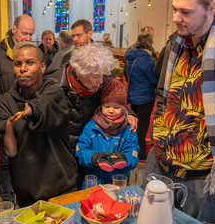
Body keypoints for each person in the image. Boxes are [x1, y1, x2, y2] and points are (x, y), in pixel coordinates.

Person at [146, 0, 215, 224]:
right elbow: (163, 99)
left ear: (213, 7)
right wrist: (157, 141)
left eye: (185, 12)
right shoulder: (175, 45)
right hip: (161, 166)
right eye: (175, 8)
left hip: (207, 182)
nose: (176, 18)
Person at [0, 42, 77, 207]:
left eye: (29, 63)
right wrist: (9, 126)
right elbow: (5, 142)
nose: (22, 68)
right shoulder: (6, 102)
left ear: (43, 67)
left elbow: (44, 105)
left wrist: (30, 109)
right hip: (27, 190)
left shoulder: (54, 91)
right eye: (18, 64)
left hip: (62, 184)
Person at [58, 42, 138, 188]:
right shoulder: (57, 88)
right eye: (96, 76)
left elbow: (115, 99)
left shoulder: (100, 83)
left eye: (103, 75)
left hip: (111, 175)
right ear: (80, 72)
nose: (101, 81)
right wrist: (93, 157)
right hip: (68, 152)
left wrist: (129, 113)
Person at [0, 14, 35, 203]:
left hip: (26, 118)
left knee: (25, 158)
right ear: (14, 30)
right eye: (24, 33)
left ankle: (25, 196)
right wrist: (6, 104)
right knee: (5, 161)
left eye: (31, 34)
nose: (27, 38)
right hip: (5, 119)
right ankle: (7, 199)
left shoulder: (31, 52)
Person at [76, 79, 139, 187]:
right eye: (107, 106)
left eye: (116, 107)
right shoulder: (90, 127)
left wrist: (124, 158)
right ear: (100, 105)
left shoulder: (128, 129)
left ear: (123, 107)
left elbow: (133, 155)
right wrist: (94, 158)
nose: (111, 110)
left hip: (117, 184)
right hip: (94, 185)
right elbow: (81, 151)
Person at [125, 33, 158, 160]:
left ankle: (131, 148)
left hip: (133, 95)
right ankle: (140, 153)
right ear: (149, 43)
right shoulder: (146, 59)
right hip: (145, 97)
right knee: (142, 127)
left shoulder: (129, 56)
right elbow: (153, 79)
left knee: (134, 124)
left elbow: (126, 75)